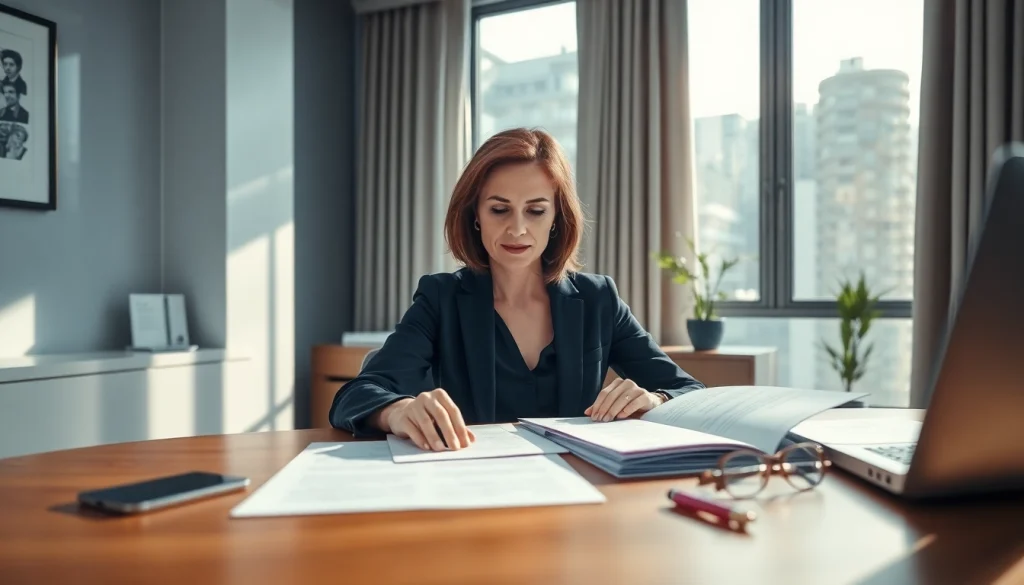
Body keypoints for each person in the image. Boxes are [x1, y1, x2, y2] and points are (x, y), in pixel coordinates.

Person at [329, 128, 705, 451]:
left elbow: (691, 393)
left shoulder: (597, 299)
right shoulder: (440, 299)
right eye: (499, 209)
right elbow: (355, 396)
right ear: (475, 214)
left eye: (536, 211)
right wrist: (397, 411)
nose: (518, 229)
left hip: (577, 491)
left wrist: (655, 398)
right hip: (479, 489)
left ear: (557, 217)